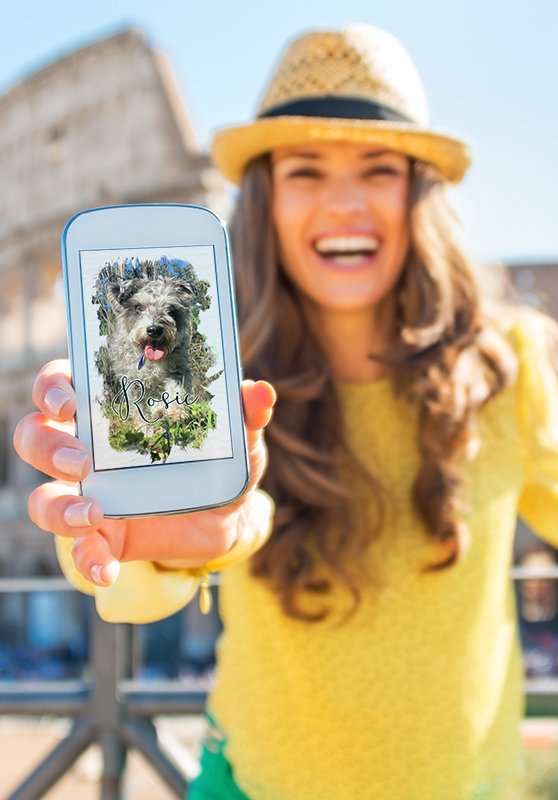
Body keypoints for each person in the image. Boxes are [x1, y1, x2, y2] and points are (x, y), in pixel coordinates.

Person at [13, 22, 558, 800]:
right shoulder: (219, 368)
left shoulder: (516, 361)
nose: (344, 204)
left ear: (420, 192)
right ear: (266, 199)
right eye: (306, 172)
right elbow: (167, 568)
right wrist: (141, 540)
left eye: (379, 169)